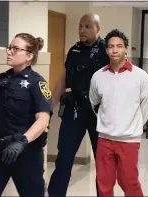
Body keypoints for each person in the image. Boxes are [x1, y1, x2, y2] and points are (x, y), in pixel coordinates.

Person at [0, 33, 53, 197]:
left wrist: (22, 141)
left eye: (15, 49)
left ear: (29, 55)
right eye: (9, 48)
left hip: (25, 154)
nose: (9, 52)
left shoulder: (37, 83)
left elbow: (43, 119)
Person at [48, 13, 109, 197]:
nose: (82, 30)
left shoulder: (107, 50)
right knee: (64, 159)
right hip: (75, 111)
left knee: (103, 163)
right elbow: (63, 79)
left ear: (98, 28)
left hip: (99, 113)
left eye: (88, 26)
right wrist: (48, 108)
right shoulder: (74, 50)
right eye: (80, 26)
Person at [89, 29, 148, 197]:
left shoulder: (140, 76)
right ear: (106, 50)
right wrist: (107, 121)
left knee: (129, 183)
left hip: (129, 140)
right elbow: (94, 102)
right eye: (111, 47)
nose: (115, 50)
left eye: (119, 46)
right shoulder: (98, 76)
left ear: (126, 49)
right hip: (104, 139)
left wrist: (132, 125)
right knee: (104, 184)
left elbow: (146, 106)